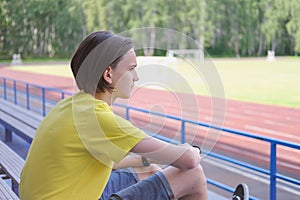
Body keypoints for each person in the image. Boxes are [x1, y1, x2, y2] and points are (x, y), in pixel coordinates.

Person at [19, 31, 249, 200]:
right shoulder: (98, 118)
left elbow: (109, 161)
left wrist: (148, 160)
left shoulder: (70, 106)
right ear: (108, 74)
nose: (136, 77)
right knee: (193, 174)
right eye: (131, 69)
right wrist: (193, 150)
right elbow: (187, 160)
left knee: (148, 170)